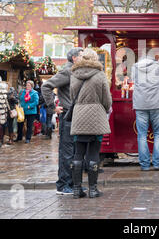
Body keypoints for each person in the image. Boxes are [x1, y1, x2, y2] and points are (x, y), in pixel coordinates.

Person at [70, 49, 112, 198]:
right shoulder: (100, 75)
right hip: (96, 117)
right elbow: (107, 100)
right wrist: (104, 109)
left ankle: (76, 189)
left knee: (78, 153)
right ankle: (93, 190)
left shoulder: (74, 75)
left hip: (79, 116)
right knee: (93, 152)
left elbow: (72, 96)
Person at [41, 47, 83, 195]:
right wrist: (52, 107)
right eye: (81, 55)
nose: (83, 58)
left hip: (74, 115)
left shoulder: (76, 71)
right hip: (67, 116)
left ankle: (70, 183)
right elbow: (46, 86)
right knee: (67, 151)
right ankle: (64, 184)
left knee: (73, 151)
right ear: (74, 58)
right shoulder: (67, 71)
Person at [131, 47, 159, 171]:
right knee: (158, 134)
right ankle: (157, 164)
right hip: (157, 103)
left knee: (142, 135)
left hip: (140, 104)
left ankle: (145, 165)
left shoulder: (134, 67)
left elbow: (133, 82)